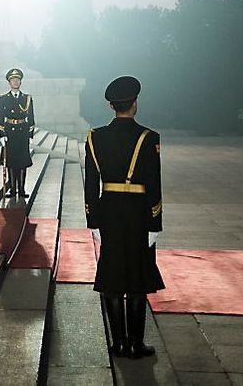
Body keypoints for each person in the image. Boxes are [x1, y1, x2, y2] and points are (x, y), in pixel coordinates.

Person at [84, 75, 164, 359]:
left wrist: (93, 220)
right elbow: (154, 184)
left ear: (111, 106)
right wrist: (155, 223)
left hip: (109, 211)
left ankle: (117, 343)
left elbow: (91, 184)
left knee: (113, 277)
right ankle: (135, 343)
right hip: (139, 213)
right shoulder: (148, 138)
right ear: (135, 104)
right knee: (138, 278)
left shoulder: (95, 137)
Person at [0, 68, 35, 198]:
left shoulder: (27, 98)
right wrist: (2, 135)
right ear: (9, 82)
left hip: (22, 132)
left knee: (23, 163)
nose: (15, 82)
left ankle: (22, 189)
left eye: (17, 80)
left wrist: (30, 135)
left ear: (20, 82)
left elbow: (31, 117)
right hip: (10, 133)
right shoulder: (3, 99)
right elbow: (0, 117)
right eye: (13, 80)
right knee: (12, 163)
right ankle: (13, 190)